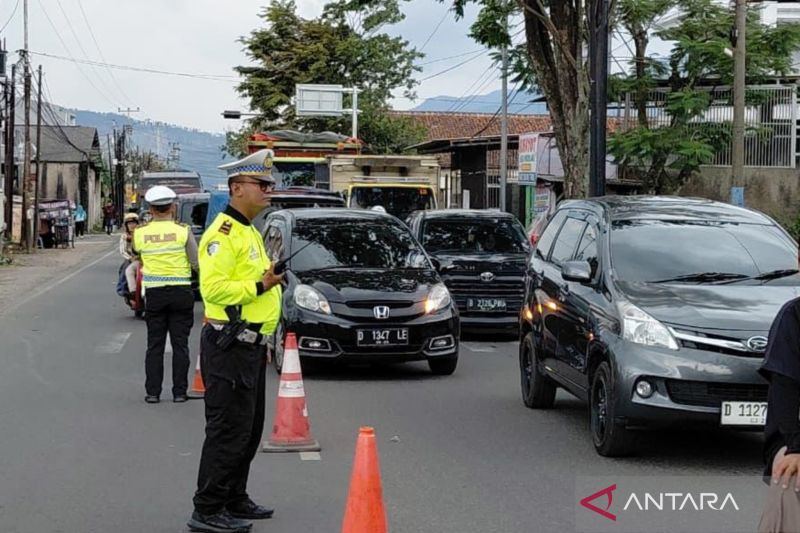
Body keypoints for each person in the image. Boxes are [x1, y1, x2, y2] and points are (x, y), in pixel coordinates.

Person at [188, 149, 283, 533]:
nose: (268, 191)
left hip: (251, 346)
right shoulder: (222, 233)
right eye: (261, 184)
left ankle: (233, 496)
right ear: (236, 188)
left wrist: (270, 278)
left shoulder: (249, 230)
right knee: (228, 430)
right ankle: (208, 509)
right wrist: (261, 284)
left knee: (249, 429)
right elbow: (213, 288)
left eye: (270, 185)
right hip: (230, 345)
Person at [133, 186, 198, 404]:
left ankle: (153, 393)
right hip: (181, 292)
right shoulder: (183, 231)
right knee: (181, 344)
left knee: (155, 344)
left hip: (154, 294)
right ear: (172, 207)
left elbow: (136, 253)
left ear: (150, 209)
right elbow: (196, 262)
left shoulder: (140, 233)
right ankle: (179, 392)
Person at [758, 297, 800, 532]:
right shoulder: (794, 314)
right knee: (790, 478)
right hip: (794, 437)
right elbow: (785, 385)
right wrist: (796, 448)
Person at [119, 213, 140, 301]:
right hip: (131, 258)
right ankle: (127, 291)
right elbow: (123, 251)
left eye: (134, 223)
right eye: (129, 223)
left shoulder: (142, 234)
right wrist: (131, 258)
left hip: (144, 259)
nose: (132, 225)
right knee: (126, 270)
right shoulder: (125, 236)